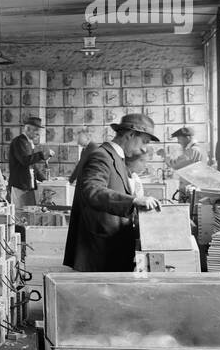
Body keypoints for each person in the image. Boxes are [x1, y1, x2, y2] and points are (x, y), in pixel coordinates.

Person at [63, 113, 163, 272]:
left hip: (112, 246)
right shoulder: (101, 156)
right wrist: (133, 201)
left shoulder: (117, 158)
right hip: (99, 251)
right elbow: (92, 191)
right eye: (144, 141)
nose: (144, 148)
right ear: (130, 135)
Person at [7, 115, 47, 208]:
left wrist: (44, 179)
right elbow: (25, 160)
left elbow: (32, 165)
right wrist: (42, 154)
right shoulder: (19, 142)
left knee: (29, 214)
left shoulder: (28, 142)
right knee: (21, 215)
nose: (38, 134)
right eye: (36, 131)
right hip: (20, 185)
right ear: (28, 129)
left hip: (27, 186)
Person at [165, 126, 203, 198]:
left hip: (190, 187)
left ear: (188, 138)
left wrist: (164, 155)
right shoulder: (197, 148)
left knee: (186, 208)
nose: (178, 141)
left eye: (179, 138)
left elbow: (175, 164)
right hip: (192, 186)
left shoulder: (193, 150)